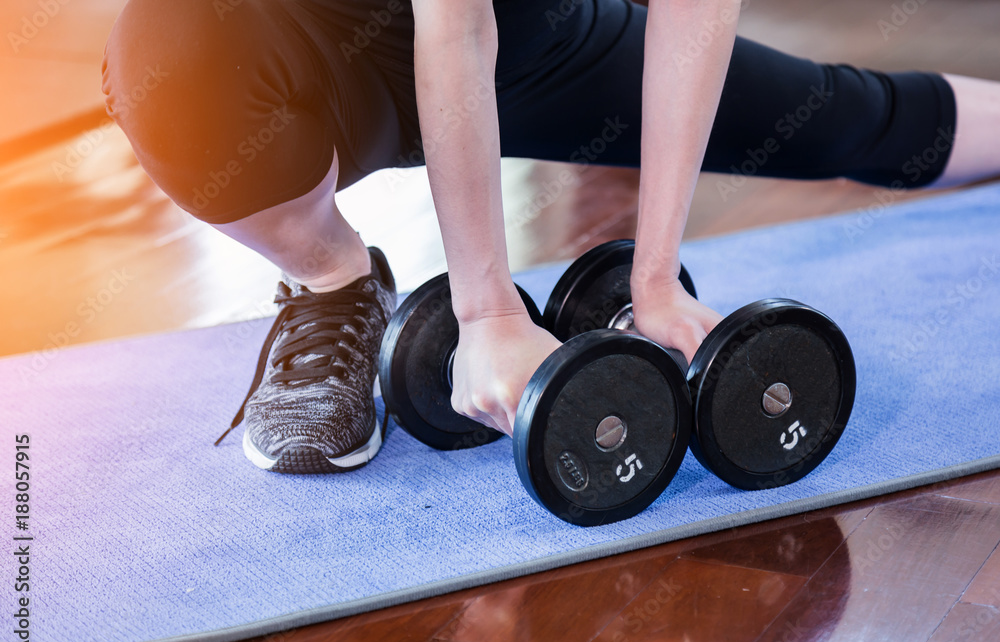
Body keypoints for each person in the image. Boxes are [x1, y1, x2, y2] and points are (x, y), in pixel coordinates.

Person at [102, 0, 1000, 474]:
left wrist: (655, 281)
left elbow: (696, 10)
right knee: (163, 54)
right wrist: (485, 308)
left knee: (842, 120)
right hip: (312, 45)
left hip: (545, 43)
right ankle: (332, 281)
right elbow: (453, 27)